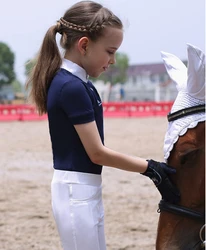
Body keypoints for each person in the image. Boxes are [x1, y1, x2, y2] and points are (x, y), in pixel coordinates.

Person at [26, 1, 180, 250]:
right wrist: (150, 168)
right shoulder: (71, 86)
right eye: (110, 51)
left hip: (85, 188)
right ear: (84, 45)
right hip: (76, 191)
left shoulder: (80, 83)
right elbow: (96, 152)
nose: (114, 60)